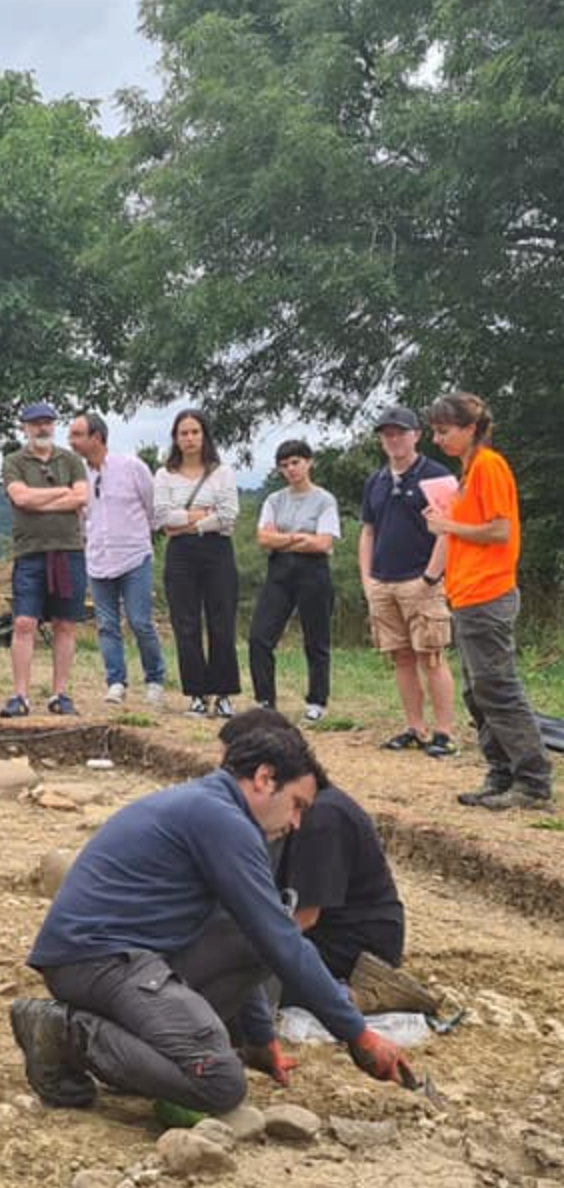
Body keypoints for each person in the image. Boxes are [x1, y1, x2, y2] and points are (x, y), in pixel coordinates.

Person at [12, 722, 414, 1115]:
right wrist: (358, 1033)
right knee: (218, 1081)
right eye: (297, 805)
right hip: (100, 959)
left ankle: (110, 1038)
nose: (296, 823)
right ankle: (66, 1032)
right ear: (264, 778)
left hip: (111, 958)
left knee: (246, 942)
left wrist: (259, 1037)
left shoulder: (213, 808)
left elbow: (253, 936)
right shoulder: (221, 820)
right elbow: (284, 941)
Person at [424, 392, 554, 811]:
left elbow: (499, 531)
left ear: (470, 429)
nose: (437, 439)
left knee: (498, 688)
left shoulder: (489, 467)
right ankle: (501, 773)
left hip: (488, 591)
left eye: (444, 431)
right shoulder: (468, 470)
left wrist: (447, 524)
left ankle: (532, 781)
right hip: (466, 593)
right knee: (478, 692)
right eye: (435, 430)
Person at [218, 709, 406, 983]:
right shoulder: (286, 809)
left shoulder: (321, 818)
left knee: (230, 982)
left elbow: (304, 918)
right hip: (320, 938)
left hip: (351, 952)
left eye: (228, 767)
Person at [360, 406, 459, 757]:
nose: (393, 439)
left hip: (422, 579)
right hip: (384, 581)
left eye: (400, 432)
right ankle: (415, 727)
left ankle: (445, 732)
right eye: (387, 433)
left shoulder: (437, 476)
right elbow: (368, 531)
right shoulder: (377, 480)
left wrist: (431, 577)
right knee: (401, 657)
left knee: (431, 656)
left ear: (416, 435)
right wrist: (367, 578)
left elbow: (450, 530)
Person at [70, 412, 166, 707]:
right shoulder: (78, 476)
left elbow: (153, 509)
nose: (71, 442)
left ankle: (155, 680)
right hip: (98, 558)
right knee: (106, 625)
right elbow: (79, 515)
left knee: (140, 621)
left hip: (134, 555)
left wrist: (137, 535)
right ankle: (115, 682)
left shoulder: (132, 467)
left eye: (77, 435)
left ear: (96, 437)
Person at [1, 402, 89, 718]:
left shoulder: (72, 460)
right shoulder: (13, 462)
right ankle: (20, 696)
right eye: (36, 423)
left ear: (54, 425)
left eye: (47, 422)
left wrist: (40, 501)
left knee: (65, 624)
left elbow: (81, 497)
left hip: (69, 550)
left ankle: (60, 694)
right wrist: (60, 495)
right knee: (24, 622)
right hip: (30, 552)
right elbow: (20, 498)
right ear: (24, 427)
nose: (42, 428)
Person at [154, 409, 241, 718]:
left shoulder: (222, 472)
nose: (189, 438)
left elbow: (229, 515)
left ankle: (225, 692)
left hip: (217, 551)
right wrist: (204, 514)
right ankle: (196, 693)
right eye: (183, 433)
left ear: (204, 435)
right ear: (176, 439)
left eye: (195, 432)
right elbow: (162, 517)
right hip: (180, 555)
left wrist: (189, 523)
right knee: (186, 624)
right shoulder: (164, 475)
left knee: (222, 622)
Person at [248, 440, 341, 721]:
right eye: (285, 465)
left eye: (295, 462)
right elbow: (264, 538)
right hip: (279, 573)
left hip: (313, 573)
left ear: (309, 462)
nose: (290, 469)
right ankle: (265, 700)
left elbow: (323, 543)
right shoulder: (275, 500)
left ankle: (317, 701)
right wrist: (297, 537)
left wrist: (283, 539)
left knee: (316, 639)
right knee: (259, 637)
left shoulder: (324, 499)